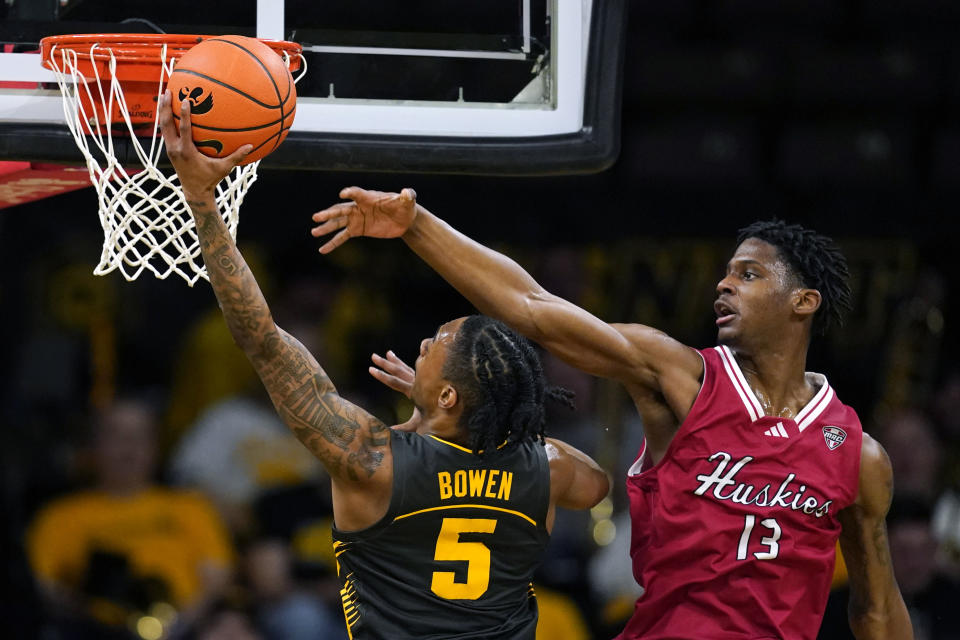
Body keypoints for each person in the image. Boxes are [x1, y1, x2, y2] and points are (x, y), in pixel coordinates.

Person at [310, 187, 913, 639]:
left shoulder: (858, 455)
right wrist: (417, 224)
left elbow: (878, 606)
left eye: (748, 275)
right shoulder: (681, 378)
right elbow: (534, 308)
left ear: (802, 302)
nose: (723, 287)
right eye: (724, 274)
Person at [158, 92, 610, 640]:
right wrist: (471, 415)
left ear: (450, 396)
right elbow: (596, 485)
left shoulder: (372, 458)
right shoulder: (546, 467)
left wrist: (202, 201)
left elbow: (262, 339)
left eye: (436, 344)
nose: (422, 345)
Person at [26, 396, 234, 639]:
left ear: (155, 447)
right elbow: (41, 586)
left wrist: (175, 627)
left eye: (140, 437)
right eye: (116, 436)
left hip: (185, 628)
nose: (129, 447)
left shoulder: (190, 506)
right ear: (93, 446)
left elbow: (216, 579)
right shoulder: (59, 515)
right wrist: (83, 605)